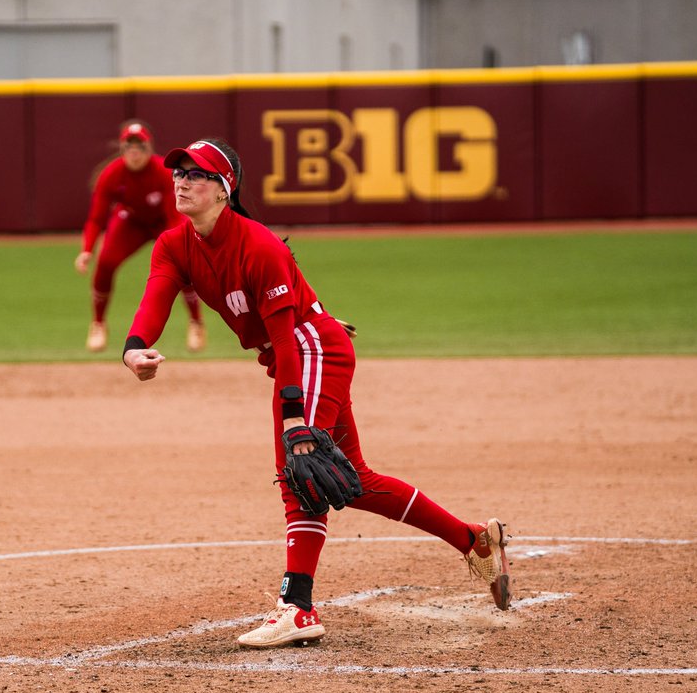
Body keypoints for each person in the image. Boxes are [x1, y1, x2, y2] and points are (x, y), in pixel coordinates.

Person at [121, 138, 512, 648]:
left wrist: (292, 419)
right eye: (178, 172)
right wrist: (134, 347)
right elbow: (156, 296)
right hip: (304, 350)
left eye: (196, 173)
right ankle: (474, 540)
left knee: (300, 467)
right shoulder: (175, 244)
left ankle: (297, 607)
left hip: (307, 351)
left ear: (224, 189)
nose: (181, 180)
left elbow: (287, 336)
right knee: (354, 478)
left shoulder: (259, 244)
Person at [76, 120, 207, 353]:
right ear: (123, 150)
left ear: (149, 149)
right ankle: (98, 323)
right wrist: (87, 250)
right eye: (129, 147)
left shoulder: (163, 171)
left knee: (183, 264)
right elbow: (96, 218)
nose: (134, 153)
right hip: (132, 221)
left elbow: (176, 215)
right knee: (105, 262)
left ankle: (196, 321)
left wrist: (182, 243)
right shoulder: (112, 174)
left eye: (140, 147)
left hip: (164, 220)